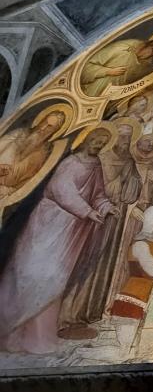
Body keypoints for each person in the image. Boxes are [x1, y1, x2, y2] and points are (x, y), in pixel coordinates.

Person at [0, 126, 117, 354]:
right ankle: (9, 328)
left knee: (57, 280)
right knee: (34, 273)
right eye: (96, 139)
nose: (98, 144)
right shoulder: (70, 162)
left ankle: (37, 339)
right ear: (87, 139)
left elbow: (98, 194)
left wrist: (106, 206)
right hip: (49, 222)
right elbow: (61, 190)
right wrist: (87, 211)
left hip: (72, 230)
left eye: (103, 142)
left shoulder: (96, 165)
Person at [59, 121, 142, 339]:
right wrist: (113, 190)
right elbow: (93, 191)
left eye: (128, 137)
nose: (124, 141)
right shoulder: (98, 160)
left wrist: (129, 183)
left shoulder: (128, 161)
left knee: (102, 264)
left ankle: (88, 313)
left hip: (113, 220)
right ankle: (67, 316)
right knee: (82, 262)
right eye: (121, 136)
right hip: (87, 222)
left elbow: (129, 192)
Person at [79, 206, 153, 362]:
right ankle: (81, 354)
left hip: (142, 299)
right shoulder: (140, 245)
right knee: (124, 353)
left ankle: (83, 352)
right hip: (131, 300)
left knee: (130, 352)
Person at [79, 31, 153, 97]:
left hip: (106, 101)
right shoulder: (123, 47)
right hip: (89, 92)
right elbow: (84, 68)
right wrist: (107, 71)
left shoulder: (146, 66)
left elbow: (137, 87)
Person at [0, 109, 66, 201]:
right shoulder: (18, 133)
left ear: (53, 131)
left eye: (49, 127)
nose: (43, 128)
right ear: (41, 120)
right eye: (44, 122)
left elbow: (19, 182)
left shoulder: (40, 155)